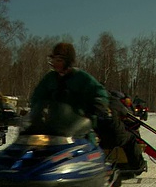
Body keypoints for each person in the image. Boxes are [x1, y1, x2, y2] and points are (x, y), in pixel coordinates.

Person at [29, 42, 145, 173]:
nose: (55, 63)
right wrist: (35, 111)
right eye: (53, 60)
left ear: (67, 61)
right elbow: (37, 97)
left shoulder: (81, 77)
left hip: (79, 126)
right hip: (55, 126)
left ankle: (95, 171)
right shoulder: (49, 78)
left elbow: (99, 91)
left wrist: (99, 104)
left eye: (59, 60)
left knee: (90, 145)